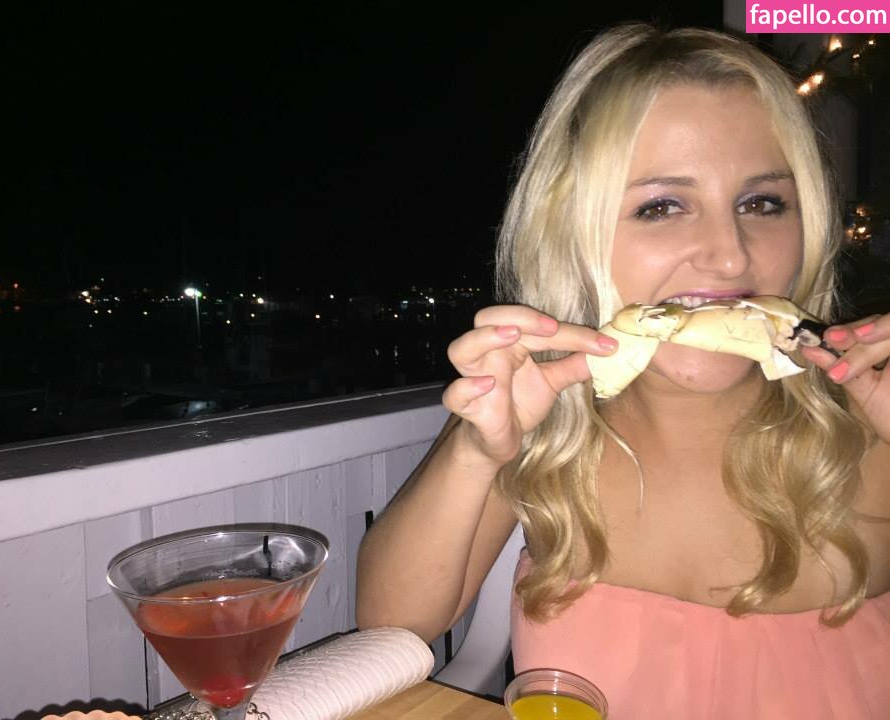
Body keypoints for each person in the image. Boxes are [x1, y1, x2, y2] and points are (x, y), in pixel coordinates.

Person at [355, 22, 890, 718]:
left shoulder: (873, 422)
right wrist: (474, 449)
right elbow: (391, 629)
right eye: (661, 207)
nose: (730, 254)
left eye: (761, 203)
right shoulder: (548, 432)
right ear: (572, 231)